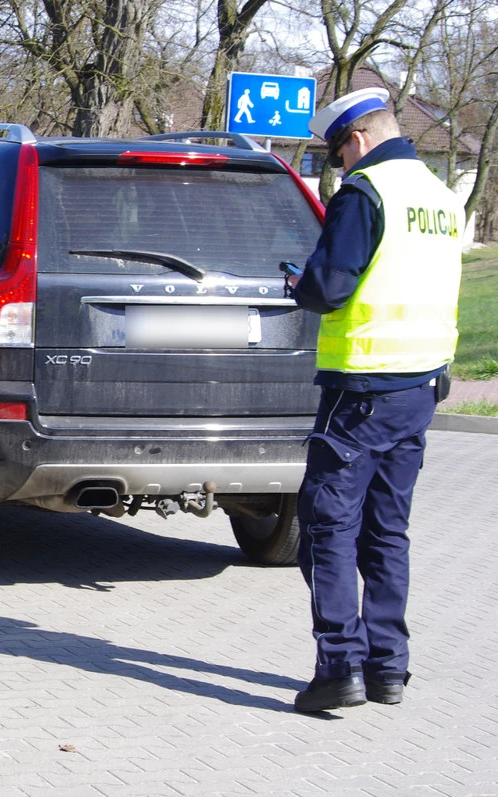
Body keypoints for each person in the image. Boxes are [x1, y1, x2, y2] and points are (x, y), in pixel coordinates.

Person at [286, 87, 464, 712]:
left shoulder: (366, 192)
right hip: (420, 387)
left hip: (360, 390)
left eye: (338, 153)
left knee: (327, 528)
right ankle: (388, 667)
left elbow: (329, 288)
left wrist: (300, 284)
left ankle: (339, 668)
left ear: (357, 139)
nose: (340, 165)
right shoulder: (439, 197)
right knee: (387, 531)